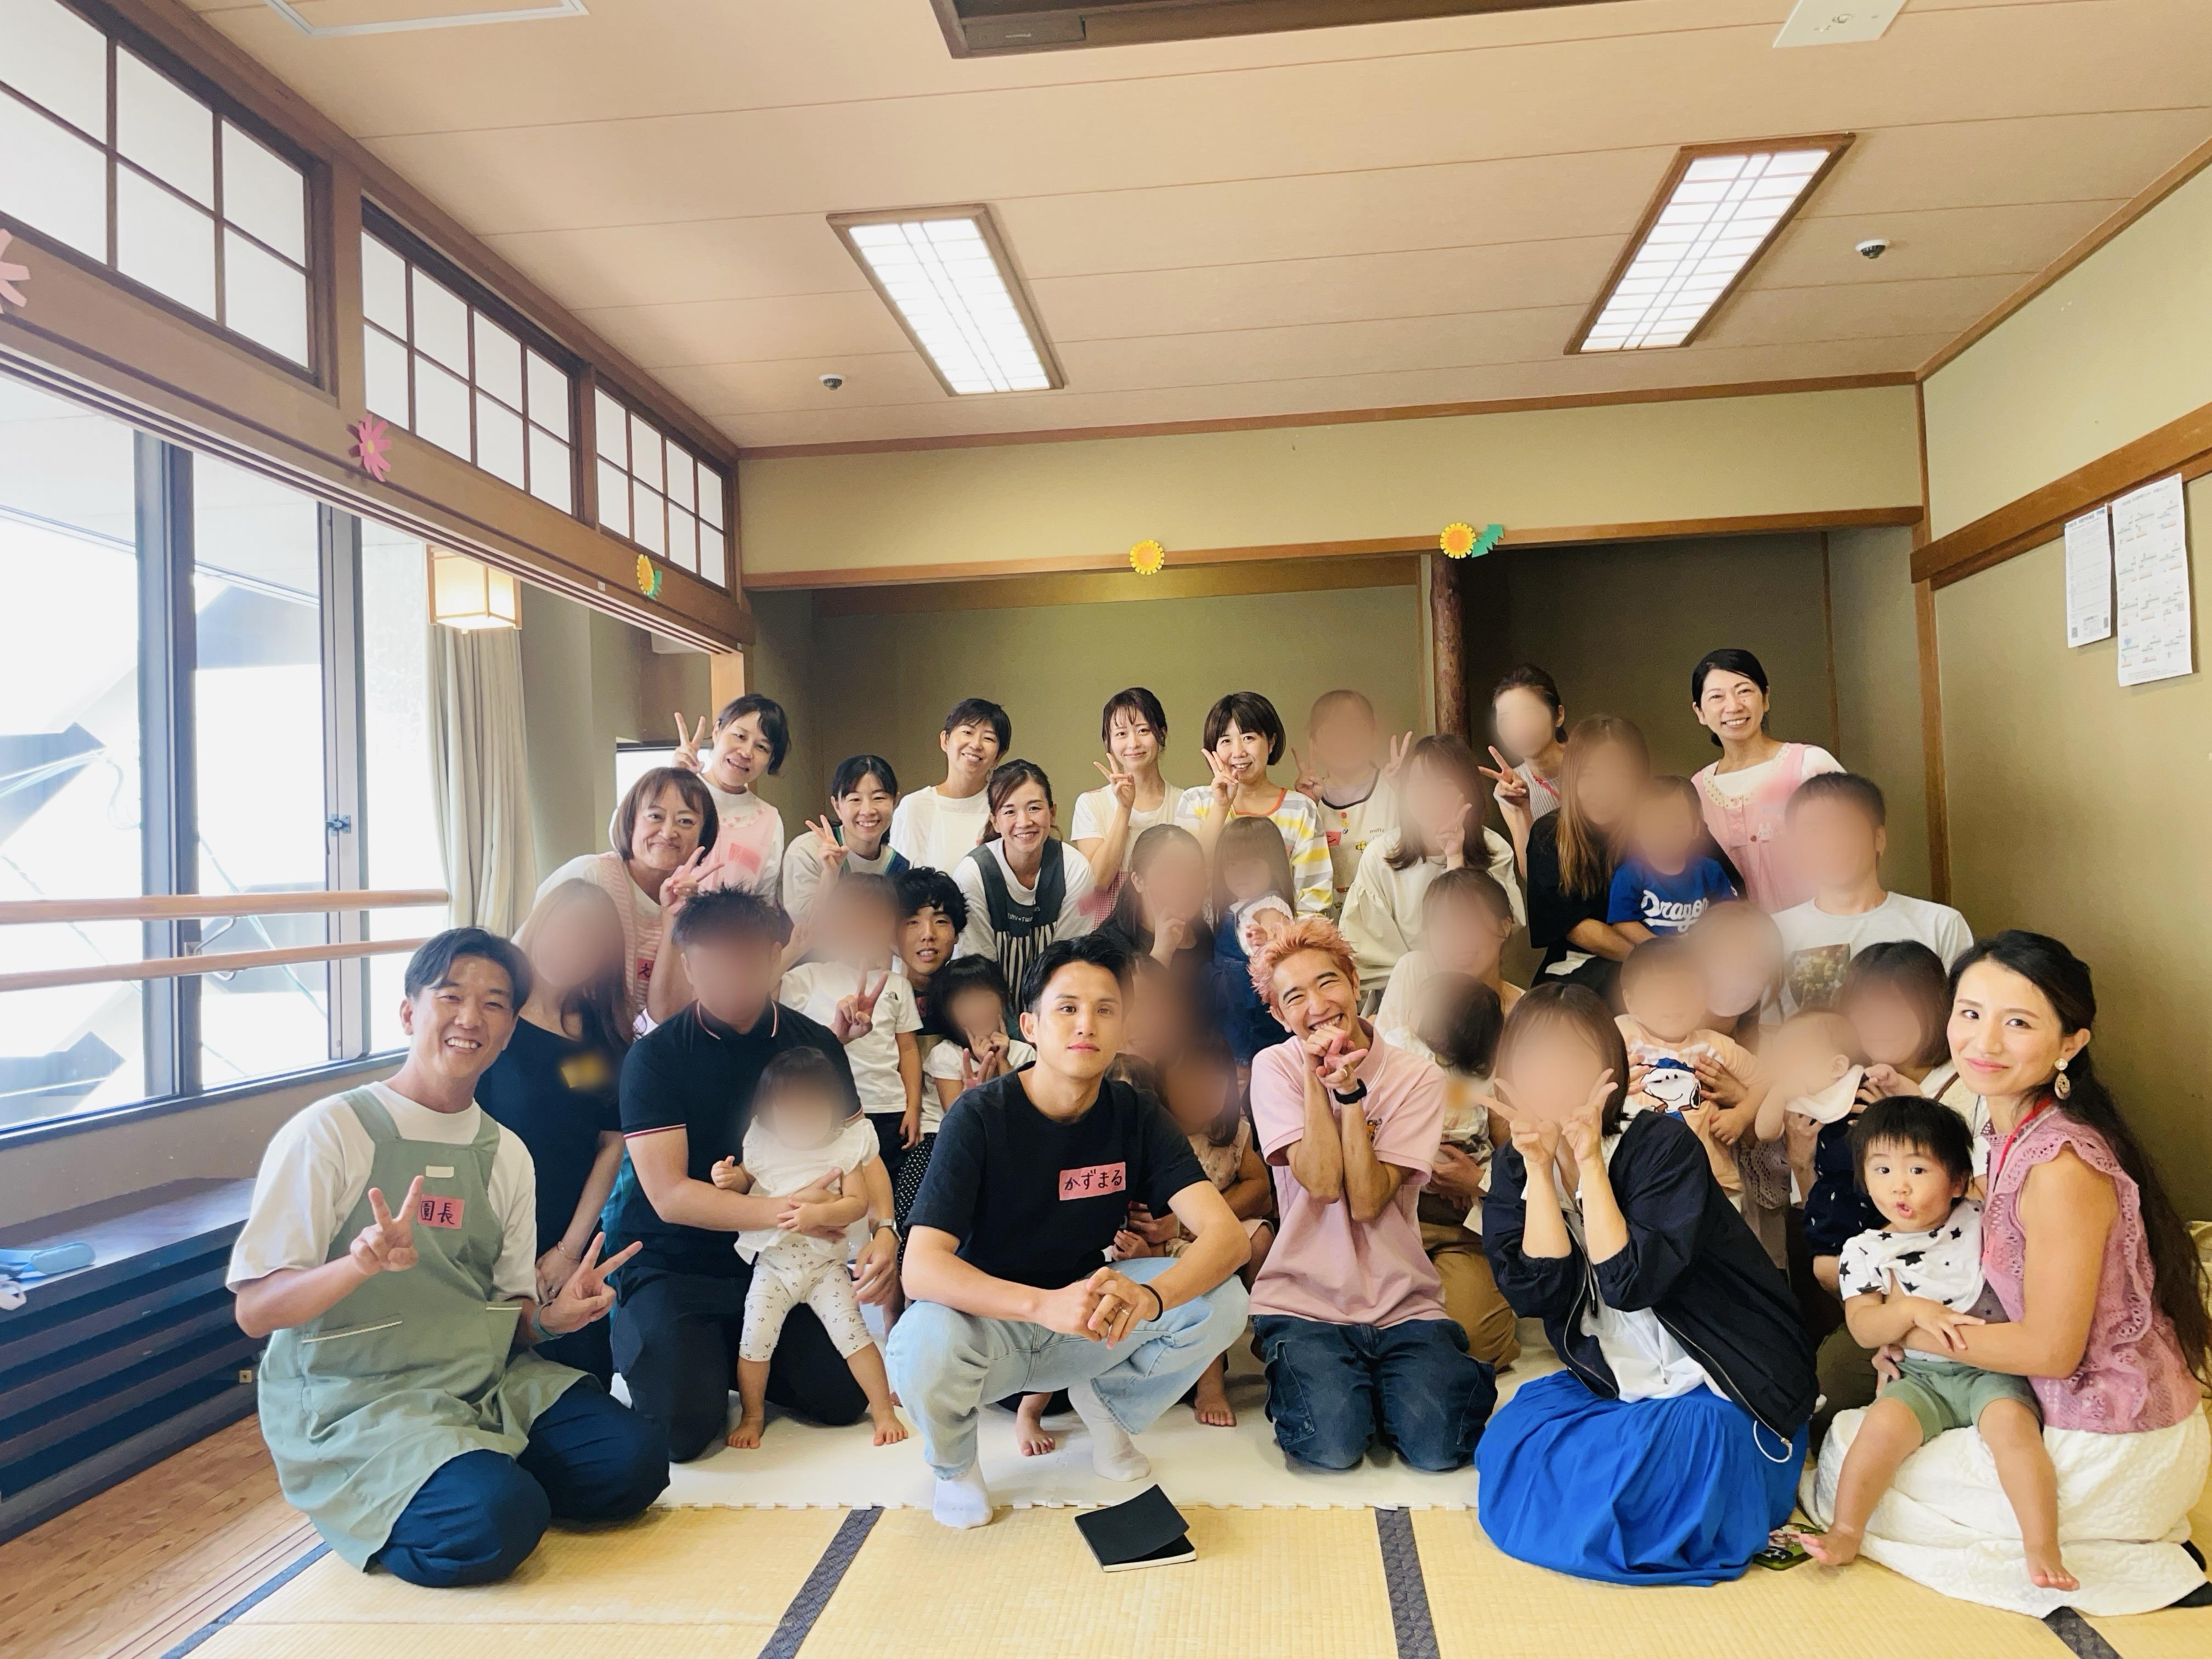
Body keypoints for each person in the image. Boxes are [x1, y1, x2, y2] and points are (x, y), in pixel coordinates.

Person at [229, 930, 664, 1585]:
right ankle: (413, 1493)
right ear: (409, 1013)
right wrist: (356, 1266)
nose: (470, 1018)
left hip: (481, 1384)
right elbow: (255, 1311)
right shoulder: (330, 1131)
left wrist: (552, 1320)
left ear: (510, 1030)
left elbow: (512, 1315)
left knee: (635, 1463)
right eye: (451, 997)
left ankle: (474, 1475)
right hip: (360, 1401)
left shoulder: (506, 1153)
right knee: (497, 1521)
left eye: (493, 1004)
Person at [1804, 932, 2212, 1616]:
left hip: (2110, 1437)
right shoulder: (2008, 1133)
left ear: (2070, 1043)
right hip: (2062, 1402)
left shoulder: (2060, 1165)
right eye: (1970, 1013)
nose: (1984, 1041)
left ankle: (2100, 1533)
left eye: (2018, 1022)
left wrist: (1908, 1331)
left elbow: (2051, 1351)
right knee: (1866, 1437)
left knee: (1849, 1454)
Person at [886, 934, 1252, 1529]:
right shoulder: (979, 1117)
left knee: (1223, 1300)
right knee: (920, 1341)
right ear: (1029, 1025)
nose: (1087, 1024)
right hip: (991, 1331)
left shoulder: (1136, 1113)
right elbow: (922, 1268)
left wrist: (1150, 1296)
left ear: (1123, 1026)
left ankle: (1105, 1410)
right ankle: (955, 1467)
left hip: (1088, 1326)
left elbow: (1227, 1238)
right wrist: (1041, 1305)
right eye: (1068, 1008)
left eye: (1106, 1009)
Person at [1477, 984, 1816, 1585]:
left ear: (1608, 1070)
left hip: (1721, 1362)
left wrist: (1588, 1161)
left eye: (1570, 1058)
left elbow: (1630, 1283)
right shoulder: (1514, 1163)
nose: (1550, 1076)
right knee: (1514, 1436)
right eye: (1534, 1059)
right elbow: (1538, 1295)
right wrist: (1537, 1167)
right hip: (1618, 1365)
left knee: (1674, 1452)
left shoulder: (1662, 1143)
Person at [601, 887, 898, 1462]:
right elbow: (670, 1196)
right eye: (713, 965)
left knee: (842, 1400)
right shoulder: (656, 1058)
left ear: (771, 958)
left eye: (745, 961)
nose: (731, 978)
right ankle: (696, 1355)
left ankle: (734, 1359)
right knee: (681, 1432)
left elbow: (862, 1153)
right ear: (689, 967)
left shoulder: (814, 1045)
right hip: (678, 1263)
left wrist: (886, 1230)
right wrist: (795, 1212)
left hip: (785, 1262)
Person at [1244, 917, 1497, 1472]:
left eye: (1328, 982)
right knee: (1332, 1448)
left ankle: (1392, 1385)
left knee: (1439, 1450)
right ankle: (1328, 1380)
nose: (1317, 1005)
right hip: (1304, 1300)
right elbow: (1321, 1183)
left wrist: (1352, 1096)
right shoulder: (1273, 1067)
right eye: (1295, 997)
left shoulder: (1416, 1078)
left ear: (1355, 983)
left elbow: (1365, 1201)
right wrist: (1315, 1078)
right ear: (1279, 1015)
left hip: (1401, 1300)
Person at [1791, 1096, 2070, 1590]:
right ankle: (1846, 1531)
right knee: (1876, 1433)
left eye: (1918, 1169)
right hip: (1920, 1377)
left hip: (1994, 1369)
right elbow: (1864, 1328)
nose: (1898, 1185)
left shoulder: (1981, 1218)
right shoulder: (1865, 1250)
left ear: (1958, 1181)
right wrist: (1908, 1311)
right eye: (1881, 1170)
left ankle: (2042, 1545)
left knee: (2015, 1434)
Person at [707, 1047, 906, 1451]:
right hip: (774, 1267)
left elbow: (857, 1203)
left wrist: (818, 1215)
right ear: (770, 1113)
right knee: (755, 1339)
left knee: (854, 1336)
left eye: (813, 1109)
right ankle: (752, 1416)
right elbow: (747, 1179)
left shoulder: (845, 1147)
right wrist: (728, 1178)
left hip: (825, 1268)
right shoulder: (763, 1144)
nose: (802, 1120)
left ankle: (884, 1411)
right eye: (790, 1111)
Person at [476, 881, 631, 1385]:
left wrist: (568, 1251)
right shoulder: (494, 1021)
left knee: (581, 1383)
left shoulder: (603, 1037)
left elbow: (611, 1145)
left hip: (568, 1237)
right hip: (491, 1230)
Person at [1110, 1035, 1276, 1429]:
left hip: (1213, 1230)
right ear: (1164, 1089)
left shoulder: (1232, 1132)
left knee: (1260, 1238)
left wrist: (1191, 1225)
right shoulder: (1155, 1135)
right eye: (1188, 1083)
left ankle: (1265, 1328)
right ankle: (1206, 1381)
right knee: (1205, 1279)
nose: (1202, 1094)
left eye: (1214, 1084)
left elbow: (1261, 1191)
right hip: (1162, 1242)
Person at [1378, 970, 1521, 1370]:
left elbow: (1521, 1167)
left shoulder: (1492, 1078)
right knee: (1365, 1327)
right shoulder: (1395, 1049)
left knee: (1474, 1341)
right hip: (1389, 1216)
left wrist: (1478, 1183)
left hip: (1463, 1222)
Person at [1774, 773, 1972, 1014]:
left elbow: (1962, 1021)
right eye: (1814, 830)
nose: (1831, 843)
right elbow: (1766, 1027)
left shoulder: (1940, 925)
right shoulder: (1775, 932)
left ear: (1879, 839)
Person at [1339, 735, 1523, 993]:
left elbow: (1496, 933)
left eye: (1444, 785)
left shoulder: (1493, 849)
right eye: (1419, 785)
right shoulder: (1380, 856)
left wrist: (1455, 858)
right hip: (1403, 993)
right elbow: (1365, 951)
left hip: (1477, 989)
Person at [536, 765, 716, 1025]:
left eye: (686, 821)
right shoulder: (589, 876)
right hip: (558, 1032)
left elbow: (666, 1014)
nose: (668, 832)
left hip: (624, 1045)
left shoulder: (693, 906)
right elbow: (531, 966)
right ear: (630, 822)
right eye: (655, 816)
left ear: (704, 834)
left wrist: (674, 919)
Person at [777, 874, 924, 1186]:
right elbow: (757, 995)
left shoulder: (897, 984)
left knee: (885, 1191)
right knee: (835, 1189)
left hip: (888, 1107)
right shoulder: (808, 978)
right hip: (827, 1108)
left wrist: (913, 1107)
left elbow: (908, 1049)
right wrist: (794, 949)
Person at [1613, 936, 1775, 1204]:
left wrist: (1742, 1115)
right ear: (1631, 1001)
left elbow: (1766, 1081)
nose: (1673, 1002)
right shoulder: (1621, 1032)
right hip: (1638, 1178)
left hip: (1713, 1178)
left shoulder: (1716, 1045)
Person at [1494, 715, 1648, 994]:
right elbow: (1574, 926)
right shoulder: (1550, 834)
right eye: (1588, 776)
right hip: (1578, 972)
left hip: (1658, 960)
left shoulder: (1658, 828)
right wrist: (1653, 960)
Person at [1686, 647, 1843, 912]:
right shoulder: (1697, 790)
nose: (1733, 706)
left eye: (1744, 691)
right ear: (1700, 712)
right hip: (1742, 934)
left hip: (1820, 927)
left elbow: (1855, 842)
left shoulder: (1810, 764)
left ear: (1766, 698)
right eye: (1717, 697)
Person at [1175, 691, 1332, 916]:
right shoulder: (1195, 801)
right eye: (1226, 741)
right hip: (1206, 937)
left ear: (1271, 742)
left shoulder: (1301, 810)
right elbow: (1184, 880)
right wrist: (1221, 807)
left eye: (1248, 738)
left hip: (1281, 936)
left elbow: (1313, 900)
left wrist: (1283, 938)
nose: (1238, 752)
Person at [954, 759, 1097, 994]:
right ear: (995, 821)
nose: (1024, 822)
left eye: (1034, 808)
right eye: (1010, 811)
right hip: (986, 1000)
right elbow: (978, 969)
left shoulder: (1074, 869)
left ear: (1052, 812)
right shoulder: (974, 874)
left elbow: (1070, 961)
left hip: (1055, 999)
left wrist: (1043, 1015)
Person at [1840, 941, 1980, 1156]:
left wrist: (1900, 1123)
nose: (1878, 1023)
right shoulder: (1846, 1088)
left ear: (1934, 1007)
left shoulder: (1974, 1086)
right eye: (1863, 1009)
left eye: (1895, 1008)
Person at [1290, 689, 1406, 912]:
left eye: (1354, 726)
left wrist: (1407, 795)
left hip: (1389, 924)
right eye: (1331, 730)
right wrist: (1307, 808)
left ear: (1374, 734)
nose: (1344, 738)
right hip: (1327, 928)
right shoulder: (1306, 801)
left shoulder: (1395, 787)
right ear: (1313, 743)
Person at [1374, 866, 1522, 1039]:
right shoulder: (1415, 971)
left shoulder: (1524, 1013)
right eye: (1443, 926)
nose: (1457, 939)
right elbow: (1384, 1050)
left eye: (1469, 922)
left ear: (1504, 928)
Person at [672, 695, 788, 899]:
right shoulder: (676, 792)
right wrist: (674, 782)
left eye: (762, 747)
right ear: (717, 731)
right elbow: (626, 841)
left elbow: (765, 898)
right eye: (740, 736)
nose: (746, 753)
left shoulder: (769, 820)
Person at [1069, 687, 1181, 894]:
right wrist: (1124, 808)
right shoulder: (1091, 804)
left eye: (1143, 730)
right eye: (1121, 733)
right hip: (1110, 916)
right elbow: (1097, 883)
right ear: (1109, 743)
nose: (1133, 743)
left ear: (1162, 733)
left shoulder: (1185, 802)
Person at [780, 754, 909, 933]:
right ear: (837, 806)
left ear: (895, 801)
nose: (867, 810)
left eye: (879, 798)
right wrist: (830, 875)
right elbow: (808, 933)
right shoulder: (808, 851)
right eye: (855, 799)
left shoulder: (898, 866)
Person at [1209, 814, 1296, 1070]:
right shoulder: (1236, 905)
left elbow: (1282, 955)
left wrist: (1266, 944)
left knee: (1248, 1080)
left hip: (1253, 1028)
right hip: (1230, 1016)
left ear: (1274, 865)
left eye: (1253, 864)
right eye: (1232, 865)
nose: (1241, 873)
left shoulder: (1269, 907)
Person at [1606, 774, 1737, 945]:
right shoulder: (1629, 874)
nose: (1663, 835)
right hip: (1655, 954)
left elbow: (1729, 912)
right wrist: (1663, 946)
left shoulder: (1710, 871)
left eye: (1676, 826)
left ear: (1696, 829)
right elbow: (1623, 922)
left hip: (1701, 950)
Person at [889, 697, 1009, 872]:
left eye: (988, 738)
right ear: (945, 740)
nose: (976, 744)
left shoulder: (1003, 808)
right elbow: (901, 881)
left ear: (999, 756)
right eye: (967, 732)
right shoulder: (915, 807)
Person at [1489, 664, 1568, 847]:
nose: (1519, 727)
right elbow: (1528, 865)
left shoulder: (1593, 761)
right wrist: (1521, 809)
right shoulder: (1510, 788)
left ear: (1558, 716)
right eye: (1506, 719)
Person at [894, 865, 966, 1033]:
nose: (928, 934)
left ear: (957, 933)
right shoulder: (882, 999)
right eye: (912, 922)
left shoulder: (973, 994)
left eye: (941, 921)